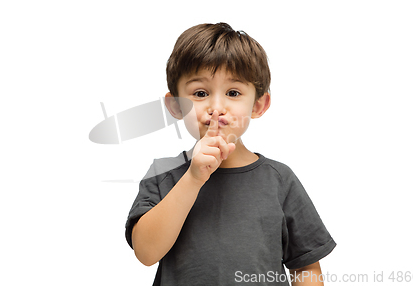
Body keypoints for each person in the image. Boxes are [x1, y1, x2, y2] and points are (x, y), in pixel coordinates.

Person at [125, 22, 336, 285]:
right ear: (176, 106)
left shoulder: (279, 179)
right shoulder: (163, 173)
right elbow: (146, 252)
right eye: (200, 93)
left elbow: (306, 266)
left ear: (258, 105)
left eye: (233, 93)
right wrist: (193, 178)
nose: (216, 107)